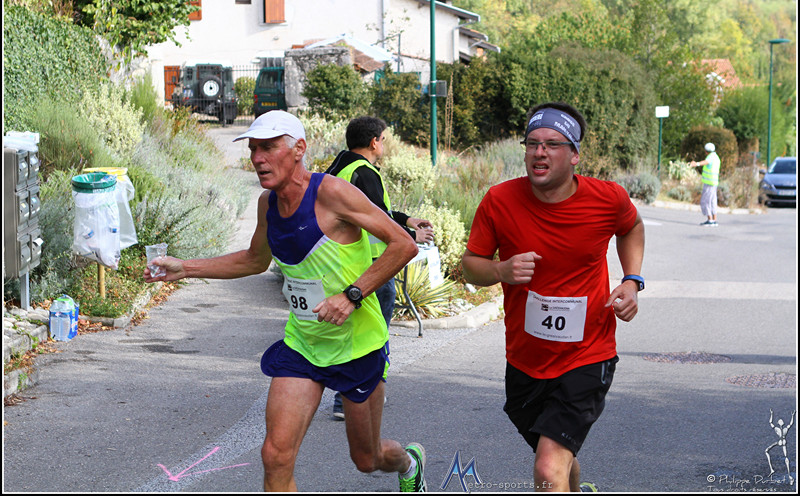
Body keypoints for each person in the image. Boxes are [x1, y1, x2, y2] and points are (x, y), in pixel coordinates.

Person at [144, 110, 427, 492]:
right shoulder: (268, 204)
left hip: (357, 344)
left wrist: (351, 295)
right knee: (275, 455)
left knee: (367, 459)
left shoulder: (331, 193)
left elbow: (403, 244)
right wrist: (185, 268)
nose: (257, 158)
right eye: (253, 149)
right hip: (304, 344)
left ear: (298, 149)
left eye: (268, 148)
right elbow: (254, 260)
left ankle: (409, 463)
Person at [461, 102, 645, 493]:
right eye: (532, 143)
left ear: (575, 155)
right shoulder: (499, 200)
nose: (539, 152)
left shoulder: (607, 198)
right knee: (557, 458)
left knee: (547, 466)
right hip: (526, 360)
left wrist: (631, 280)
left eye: (552, 144)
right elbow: (471, 266)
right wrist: (500, 270)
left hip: (588, 354)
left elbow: (631, 227)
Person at [325, 115, 434, 420]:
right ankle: (354, 398)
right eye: (383, 139)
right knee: (374, 335)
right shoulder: (364, 172)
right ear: (374, 142)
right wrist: (411, 235)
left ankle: (350, 396)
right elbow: (378, 220)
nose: (384, 144)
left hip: (344, 264)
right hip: (373, 266)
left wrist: (407, 219)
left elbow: (377, 211)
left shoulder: (341, 168)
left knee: (354, 334)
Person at [689, 143, 720, 226]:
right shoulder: (716, 157)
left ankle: (710, 220)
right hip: (714, 182)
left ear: (706, 151)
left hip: (709, 182)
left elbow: (706, 162)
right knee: (713, 201)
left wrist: (696, 164)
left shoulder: (711, 157)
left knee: (706, 201)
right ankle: (714, 220)